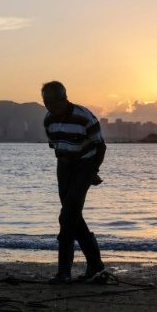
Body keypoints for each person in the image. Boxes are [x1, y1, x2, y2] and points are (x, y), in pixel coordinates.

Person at [41, 81, 106, 284]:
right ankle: (95, 264)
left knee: (67, 216)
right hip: (64, 165)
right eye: (46, 103)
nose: (49, 107)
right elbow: (57, 147)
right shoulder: (48, 120)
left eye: (52, 102)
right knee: (72, 215)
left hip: (85, 164)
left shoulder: (84, 116)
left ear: (64, 99)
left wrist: (92, 172)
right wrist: (66, 168)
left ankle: (64, 272)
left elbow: (101, 146)